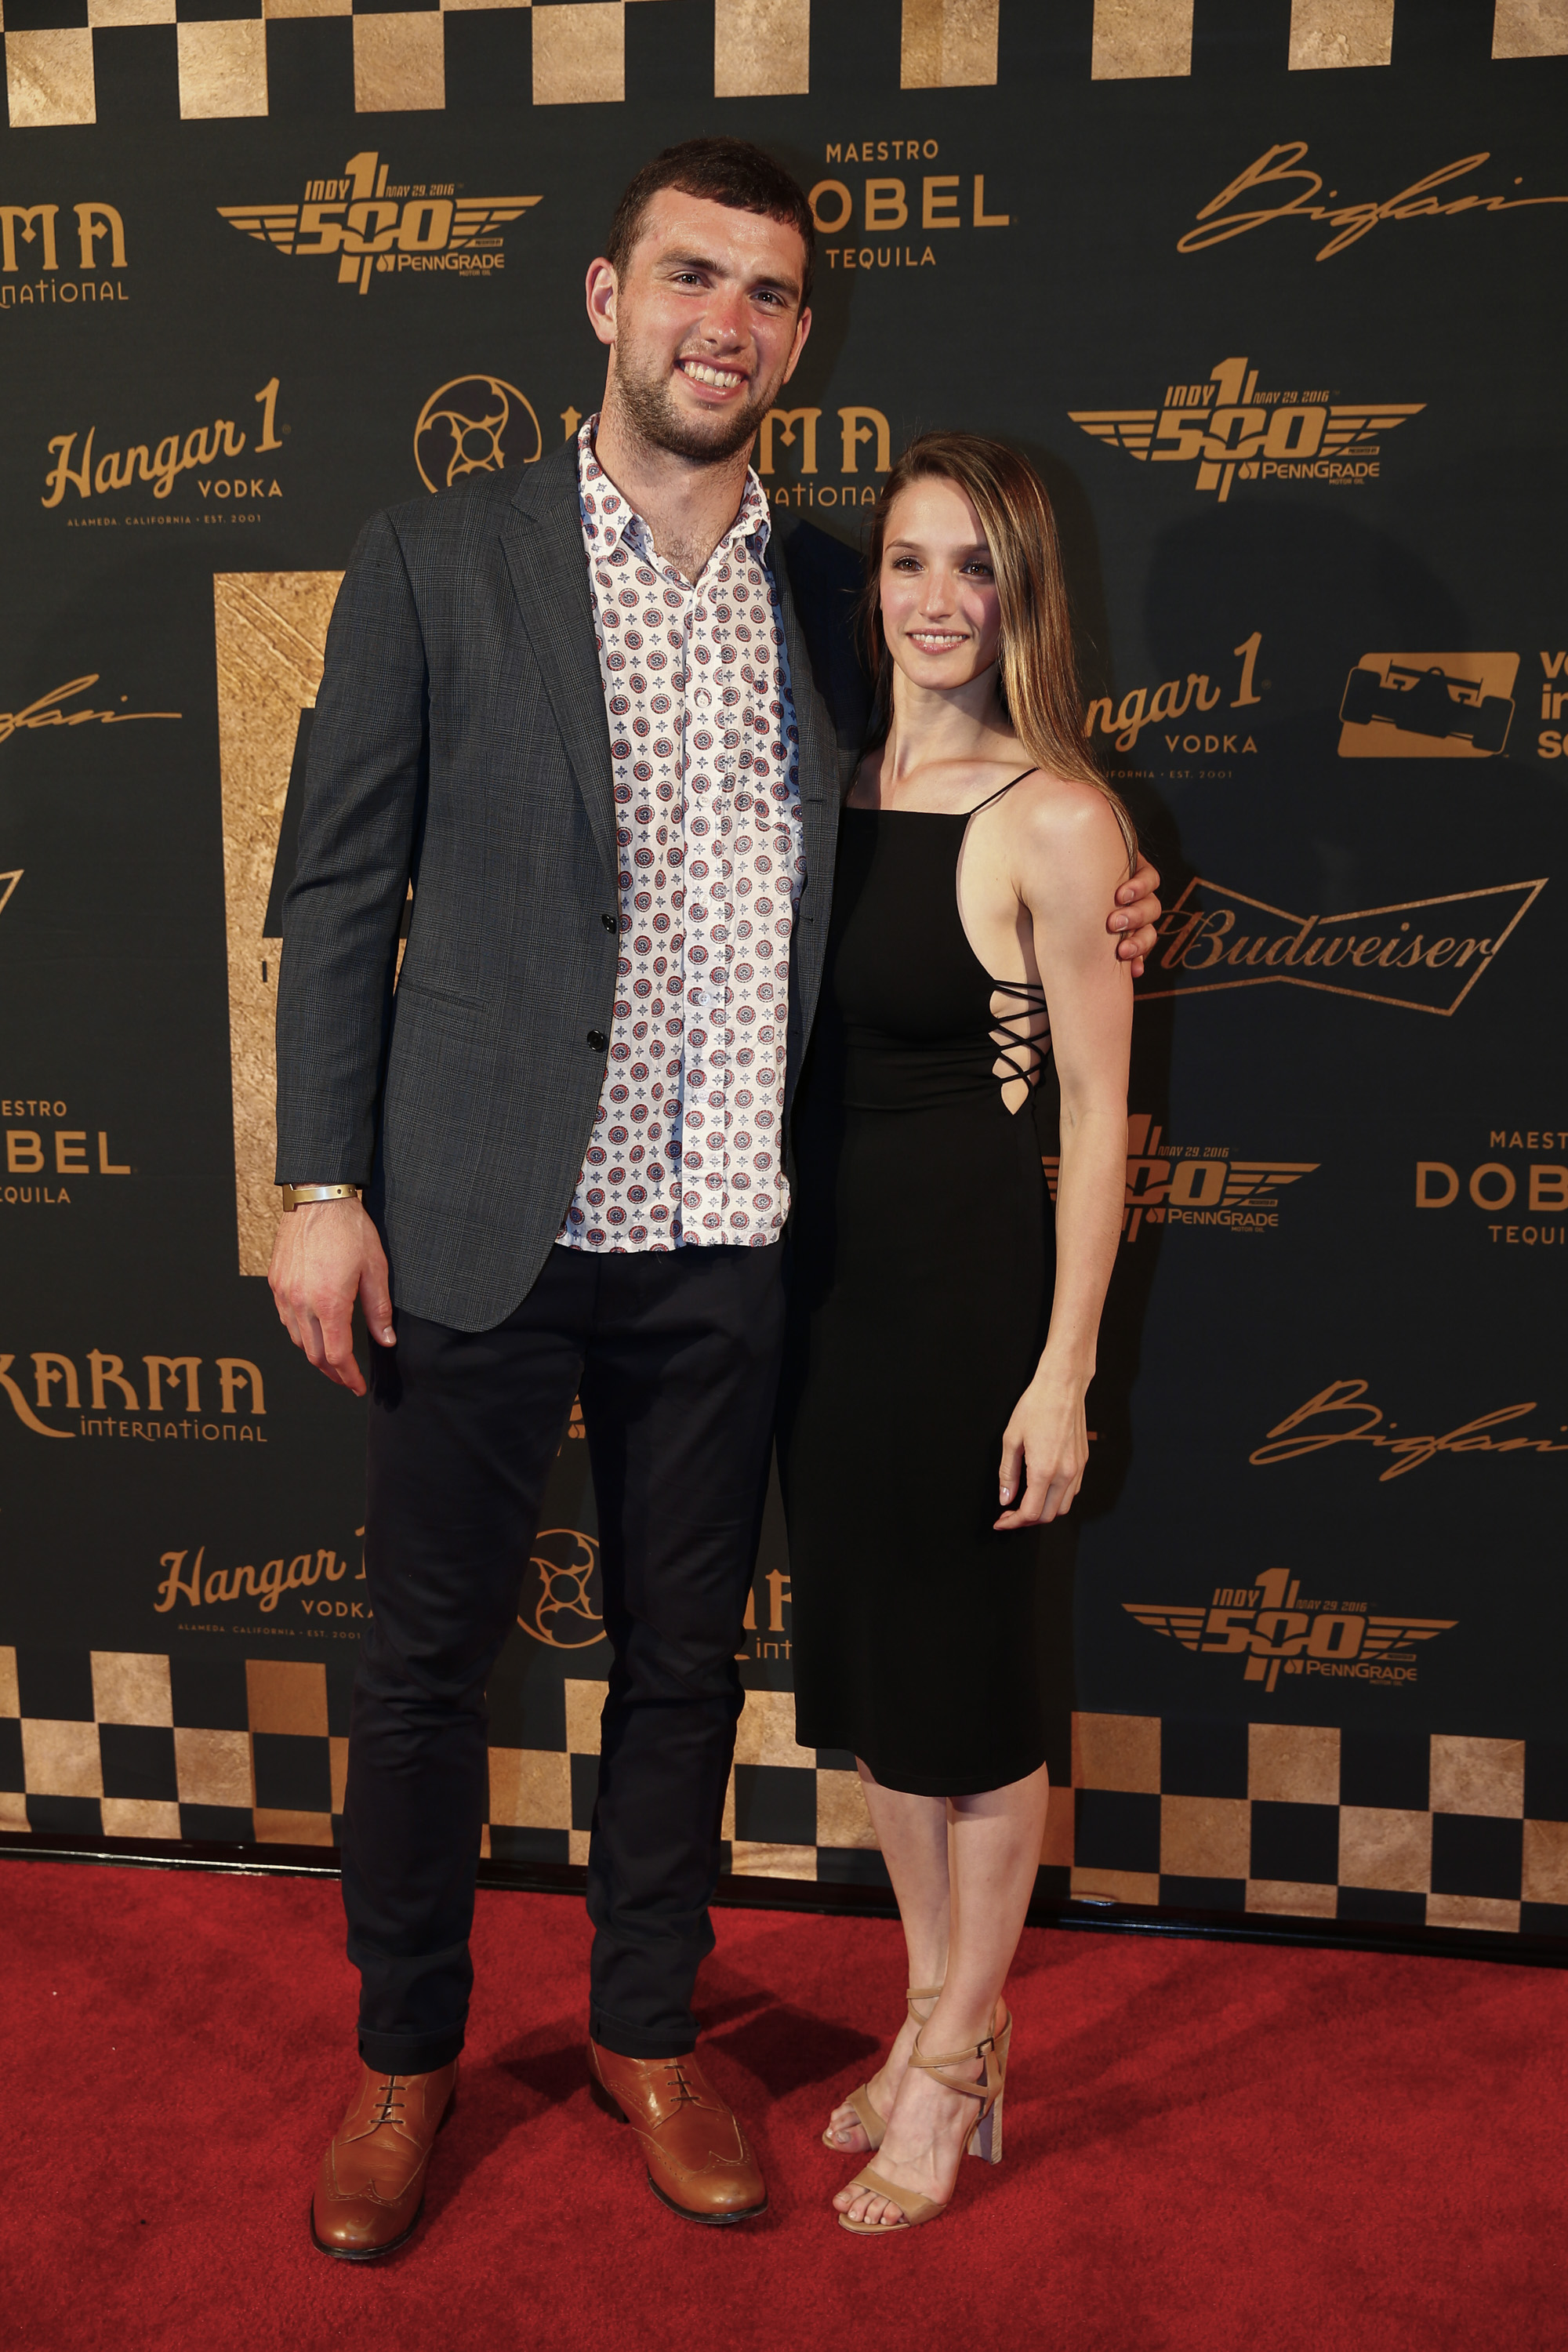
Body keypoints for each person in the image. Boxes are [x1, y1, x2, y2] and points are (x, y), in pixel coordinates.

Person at [268, 140, 1163, 2259]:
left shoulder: (833, 594)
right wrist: (320, 1180)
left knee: (686, 1669)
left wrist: (1132, 893)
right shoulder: (431, 557)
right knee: (420, 1678)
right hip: (480, 1222)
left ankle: (647, 2034)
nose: (724, 323)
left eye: (767, 293)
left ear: (797, 335)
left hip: (733, 1251)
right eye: (691, 278)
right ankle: (403, 2063)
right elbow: (327, 893)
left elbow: (972, 799)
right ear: (605, 297)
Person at [777, 433, 1136, 2234]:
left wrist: (1060, 1371)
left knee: (977, 1708)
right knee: (883, 1706)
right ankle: (933, 2011)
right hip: (823, 1319)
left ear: (1019, 597)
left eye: (973, 568)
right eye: (908, 563)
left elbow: (1092, 1115)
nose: (934, 601)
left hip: (970, 1314)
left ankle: (957, 2053)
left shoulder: (1057, 818)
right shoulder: (824, 786)